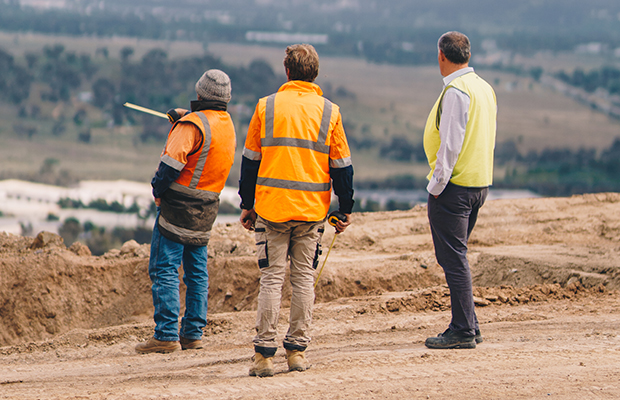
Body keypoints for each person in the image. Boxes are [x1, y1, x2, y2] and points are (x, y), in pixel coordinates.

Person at [238, 44, 354, 376]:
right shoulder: (331, 112)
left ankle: (263, 357)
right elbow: (342, 166)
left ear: (287, 72)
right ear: (315, 73)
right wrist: (344, 209)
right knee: (304, 279)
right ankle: (297, 353)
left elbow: (250, 162)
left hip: (272, 208)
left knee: (271, 279)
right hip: (311, 210)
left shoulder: (266, 107)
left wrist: (248, 205)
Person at [135, 69, 237, 354]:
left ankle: (166, 334)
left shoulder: (191, 126)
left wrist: (157, 190)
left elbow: (170, 166)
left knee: (164, 267)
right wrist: (185, 117)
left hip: (177, 207)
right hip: (206, 209)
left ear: (199, 93)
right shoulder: (226, 125)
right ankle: (192, 333)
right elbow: (206, 139)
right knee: (196, 272)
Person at [422, 32, 497, 349]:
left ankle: (463, 330)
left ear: (441, 55)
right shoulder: (484, 88)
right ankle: (469, 326)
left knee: (454, 260)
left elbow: (450, 146)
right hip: (479, 184)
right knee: (457, 258)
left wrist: (437, 186)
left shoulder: (456, 91)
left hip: (454, 188)